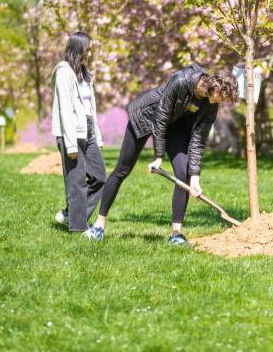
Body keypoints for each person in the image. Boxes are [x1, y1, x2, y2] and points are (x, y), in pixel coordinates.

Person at [86, 64, 239, 245]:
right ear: (217, 87)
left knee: (184, 173)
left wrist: (196, 177)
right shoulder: (182, 80)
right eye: (223, 96)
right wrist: (158, 157)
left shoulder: (210, 105)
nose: (223, 101)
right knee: (122, 170)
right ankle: (99, 225)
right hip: (146, 116)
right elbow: (161, 117)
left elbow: (198, 141)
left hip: (173, 123)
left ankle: (176, 234)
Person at [51, 31, 107, 238]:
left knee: (100, 177)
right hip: (71, 133)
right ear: (77, 49)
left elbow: (91, 107)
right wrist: (71, 144)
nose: (90, 54)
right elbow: (65, 108)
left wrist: (98, 137)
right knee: (76, 181)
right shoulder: (64, 72)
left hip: (89, 130)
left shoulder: (85, 74)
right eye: (87, 49)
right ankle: (78, 227)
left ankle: (73, 214)